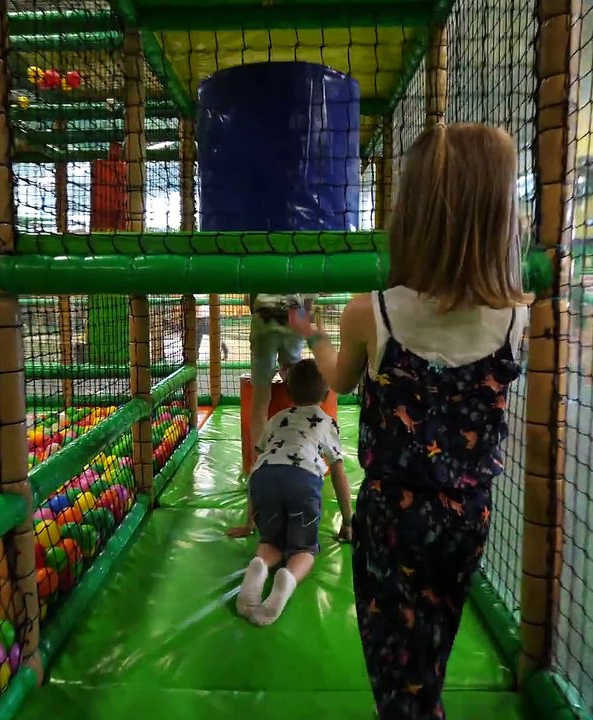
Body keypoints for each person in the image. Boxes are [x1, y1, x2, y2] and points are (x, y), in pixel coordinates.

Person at [287, 123, 530, 720]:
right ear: (498, 218)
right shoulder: (517, 319)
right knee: (434, 646)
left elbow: (337, 384)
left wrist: (311, 332)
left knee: (397, 667)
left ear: (413, 215)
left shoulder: (372, 312)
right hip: (469, 516)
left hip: (394, 515)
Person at [225, 359, 353, 627]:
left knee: (270, 540)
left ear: (290, 393)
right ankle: (288, 578)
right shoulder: (327, 422)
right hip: (302, 480)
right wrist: (349, 523)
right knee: (303, 548)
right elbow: (339, 475)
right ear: (327, 391)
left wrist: (249, 523)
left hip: (264, 479)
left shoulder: (276, 418)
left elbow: (257, 467)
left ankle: (260, 564)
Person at [246, 293, 314, 464]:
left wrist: (255, 311)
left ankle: (259, 464)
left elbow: (250, 293)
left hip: (264, 311)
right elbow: (309, 297)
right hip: (294, 312)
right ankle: (298, 456)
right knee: (297, 387)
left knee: (260, 399)